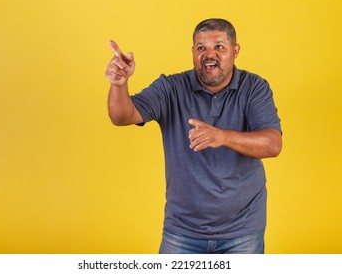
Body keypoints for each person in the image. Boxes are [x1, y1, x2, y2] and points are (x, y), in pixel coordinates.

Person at [105, 18, 282, 254]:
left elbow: (273, 144)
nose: (210, 55)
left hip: (243, 230)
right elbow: (122, 116)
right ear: (192, 52)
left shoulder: (254, 87)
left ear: (235, 51)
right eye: (201, 48)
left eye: (219, 47)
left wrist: (222, 137)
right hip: (182, 230)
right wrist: (119, 84)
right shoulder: (170, 88)